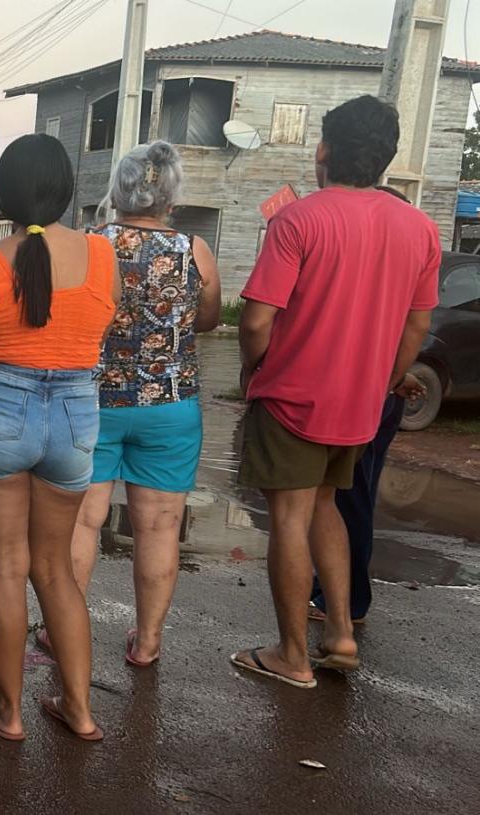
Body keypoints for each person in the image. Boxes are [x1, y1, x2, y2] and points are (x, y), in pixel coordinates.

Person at [233, 96, 440, 688]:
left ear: (324, 149)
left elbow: (254, 321)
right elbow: (417, 325)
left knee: (292, 519)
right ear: (386, 158)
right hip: (361, 406)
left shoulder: (298, 220)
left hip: (293, 399)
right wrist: (379, 383)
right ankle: (342, 633)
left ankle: (292, 655)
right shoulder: (419, 227)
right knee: (328, 507)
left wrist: (257, 370)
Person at [0, 133, 120, 741]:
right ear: (67, 191)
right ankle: (80, 710)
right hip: (74, 411)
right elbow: (96, 325)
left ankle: (9, 713)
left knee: (5, 569)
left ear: (3, 193)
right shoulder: (103, 255)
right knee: (56, 570)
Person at [40, 141, 221, 667]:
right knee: (160, 528)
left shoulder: (88, 245)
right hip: (170, 406)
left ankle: (60, 632)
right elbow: (206, 321)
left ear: (117, 190)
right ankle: (147, 643)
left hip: (90, 401)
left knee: (82, 523)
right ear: (171, 195)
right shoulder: (195, 251)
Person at [308, 185, 428, 626]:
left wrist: (394, 377)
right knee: (349, 496)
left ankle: (349, 601)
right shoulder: (399, 263)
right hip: (382, 392)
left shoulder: (384, 264)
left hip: (369, 395)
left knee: (348, 498)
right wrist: (400, 375)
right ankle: (329, 589)